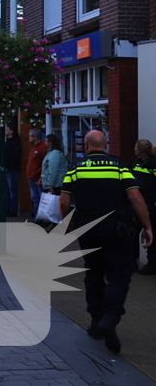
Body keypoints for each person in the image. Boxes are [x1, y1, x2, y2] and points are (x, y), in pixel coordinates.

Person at [60, 130, 153, 354]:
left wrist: (68, 223)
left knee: (93, 273)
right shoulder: (120, 167)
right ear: (106, 144)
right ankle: (110, 317)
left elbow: (64, 201)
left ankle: (95, 321)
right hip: (116, 229)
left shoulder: (75, 168)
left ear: (87, 146)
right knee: (120, 275)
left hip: (87, 229)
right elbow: (135, 196)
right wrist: (148, 226)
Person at [131, 139, 156, 275]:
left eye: (135, 146)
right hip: (138, 202)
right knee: (132, 232)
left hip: (149, 204)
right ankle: (132, 261)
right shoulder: (138, 162)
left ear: (140, 150)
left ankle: (152, 263)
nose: (134, 149)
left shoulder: (152, 164)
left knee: (150, 232)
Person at [2, 125, 23, 217]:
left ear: (12, 131)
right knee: (7, 190)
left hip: (12, 169)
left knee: (12, 190)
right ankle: (7, 207)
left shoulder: (16, 142)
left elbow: (15, 156)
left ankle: (13, 209)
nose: (6, 131)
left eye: (7, 129)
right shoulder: (8, 142)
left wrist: (9, 165)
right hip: (7, 168)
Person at [26, 128, 47, 218]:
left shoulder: (42, 148)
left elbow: (44, 163)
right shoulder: (33, 147)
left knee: (39, 198)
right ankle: (36, 215)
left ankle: (39, 217)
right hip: (31, 176)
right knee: (34, 198)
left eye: (30, 136)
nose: (29, 138)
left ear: (35, 137)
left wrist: (39, 173)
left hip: (38, 177)